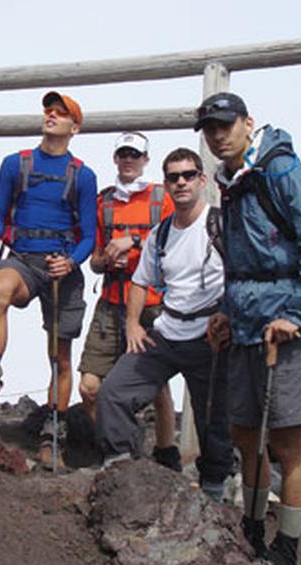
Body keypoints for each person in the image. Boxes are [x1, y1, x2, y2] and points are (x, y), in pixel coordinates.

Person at [196, 92, 301, 565]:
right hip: (245, 329)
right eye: (210, 128)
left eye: (225, 125)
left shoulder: (282, 173)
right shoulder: (232, 183)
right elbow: (240, 265)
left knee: (286, 444)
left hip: (288, 333)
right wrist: (224, 309)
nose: (217, 135)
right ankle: (253, 531)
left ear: (247, 123)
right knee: (243, 435)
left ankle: (288, 550)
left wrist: (297, 314)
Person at [0, 92, 98, 468]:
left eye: (61, 113)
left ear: (74, 128)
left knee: (59, 356)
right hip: (24, 259)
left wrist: (73, 261)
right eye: (49, 110)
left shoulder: (83, 175)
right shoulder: (14, 165)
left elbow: (90, 237)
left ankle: (52, 438)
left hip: (62, 264)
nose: (52, 115)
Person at [95, 147, 233, 501]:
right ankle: (121, 469)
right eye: (173, 177)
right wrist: (132, 324)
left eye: (188, 175)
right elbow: (141, 280)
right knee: (113, 392)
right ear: (166, 183)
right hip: (167, 330)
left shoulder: (222, 224)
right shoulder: (161, 234)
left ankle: (214, 490)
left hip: (209, 335)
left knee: (212, 417)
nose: (181, 183)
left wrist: (229, 318)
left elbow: (242, 276)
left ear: (202, 180)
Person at [77, 132, 182, 471]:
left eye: (134, 155)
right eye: (123, 153)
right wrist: (106, 260)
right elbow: (93, 260)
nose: (128, 160)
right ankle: (121, 448)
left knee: (157, 386)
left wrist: (132, 241)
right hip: (110, 301)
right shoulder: (103, 202)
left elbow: (178, 237)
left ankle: (167, 454)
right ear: (115, 158)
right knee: (90, 386)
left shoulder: (161, 198)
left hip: (151, 303)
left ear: (145, 160)